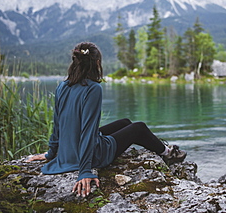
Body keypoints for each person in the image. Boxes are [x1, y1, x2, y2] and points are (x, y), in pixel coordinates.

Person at [26, 42, 186, 197]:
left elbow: (57, 124)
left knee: (125, 123)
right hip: (92, 156)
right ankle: (168, 153)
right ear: (96, 63)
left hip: (67, 153)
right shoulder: (93, 89)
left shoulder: (63, 86)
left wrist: (51, 153)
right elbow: (88, 131)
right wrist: (84, 171)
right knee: (139, 127)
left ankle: (162, 148)